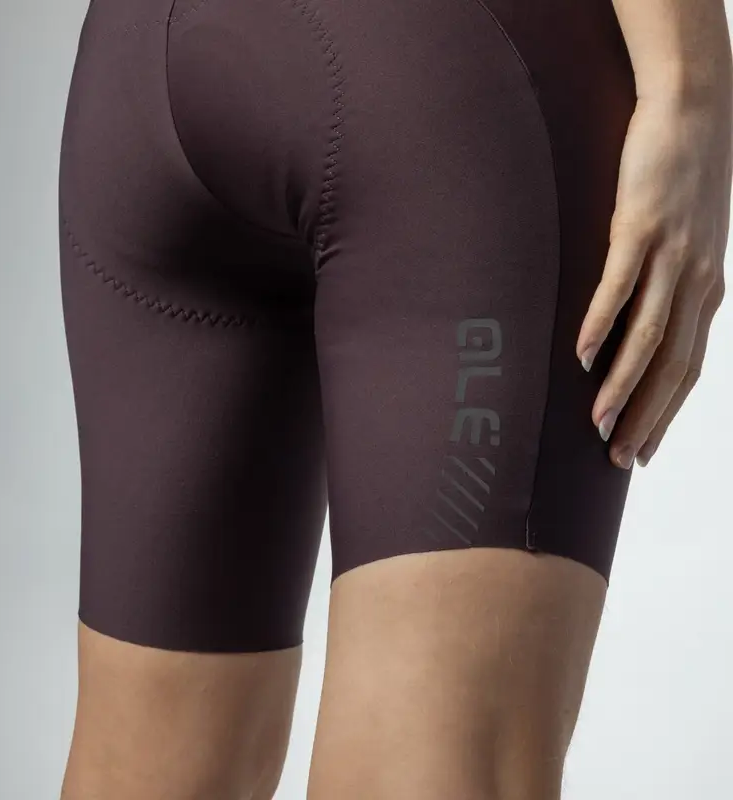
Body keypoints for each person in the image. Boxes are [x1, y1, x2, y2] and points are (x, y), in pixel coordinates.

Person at [57, 0, 731, 797]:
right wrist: (692, 90)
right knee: (426, 770)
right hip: (444, 74)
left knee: (141, 767)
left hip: (139, 65)